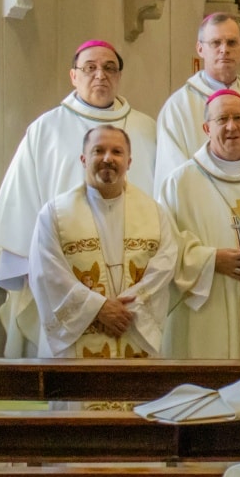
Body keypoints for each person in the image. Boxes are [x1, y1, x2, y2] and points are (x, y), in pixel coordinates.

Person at [0, 39, 158, 357]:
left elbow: (162, 208)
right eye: (90, 68)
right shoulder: (45, 129)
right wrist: (38, 276)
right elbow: (20, 203)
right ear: (73, 76)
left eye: (109, 68)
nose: (100, 75)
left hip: (134, 284)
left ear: (119, 76)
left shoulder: (146, 130)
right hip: (63, 278)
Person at [27, 125, 178, 359]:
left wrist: (127, 308)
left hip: (133, 327)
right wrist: (97, 308)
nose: (108, 158)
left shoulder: (154, 213)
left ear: (129, 162)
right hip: (79, 342)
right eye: (98, 151)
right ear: (83, 159)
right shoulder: (54, 214)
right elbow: (47, 273)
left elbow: (165, 264)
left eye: (117, 152)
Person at [158, 89, 240, 359]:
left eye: (239, 118)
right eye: (222, 119)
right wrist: (212, 260)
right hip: (206, 310)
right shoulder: (179, 183)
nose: (231, 126)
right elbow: (163, 247)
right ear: (206, 128)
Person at [154, 13, 240, 183]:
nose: (224, 50)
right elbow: (173, 179)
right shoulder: (178, 107)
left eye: (232, 42)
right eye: (216, 43)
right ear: (200, 49)